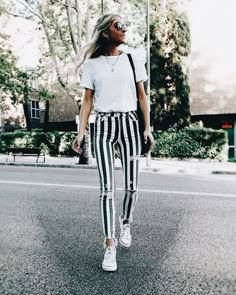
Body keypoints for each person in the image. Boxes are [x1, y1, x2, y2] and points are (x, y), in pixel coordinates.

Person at [72, 13, 154, 272]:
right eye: (119, 25)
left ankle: (125, 220)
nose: (124, 29)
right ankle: (110, 244)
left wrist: (148, 128)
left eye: (125, 25)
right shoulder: (92, 65)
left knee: (131, 187)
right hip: (104, 126)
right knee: (107, 189)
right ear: (106, 31)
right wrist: (81, 132)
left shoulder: (132, 60)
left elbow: (142, 96)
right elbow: (87, 101)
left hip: (130, 125)